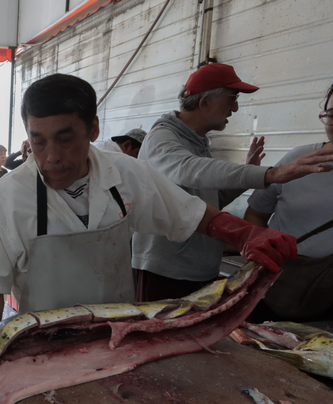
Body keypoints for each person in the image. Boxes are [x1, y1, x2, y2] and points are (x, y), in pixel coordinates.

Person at [0, 73, 300, 342]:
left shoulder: (125, 173)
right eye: (38, 141)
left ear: (93, 128)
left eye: (65, 139)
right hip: (41, 342)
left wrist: (245, 233)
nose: (51, 156)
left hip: (117, 337)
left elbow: (188, 212)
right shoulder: (7, 197)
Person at [132, 63, 333, 302]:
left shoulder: (197, 142)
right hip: (166, 270)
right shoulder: (163, 138)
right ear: (205, 102)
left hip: (195, 268)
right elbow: (187, 170)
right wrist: (271, 174)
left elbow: (208, 198)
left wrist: (248, 175)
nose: (235, 108)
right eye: (232, 99)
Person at [243, 84, 333, 320]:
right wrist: (262, 257)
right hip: (282, 288)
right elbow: (255, 214)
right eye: (332, 115)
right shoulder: (297, 159)